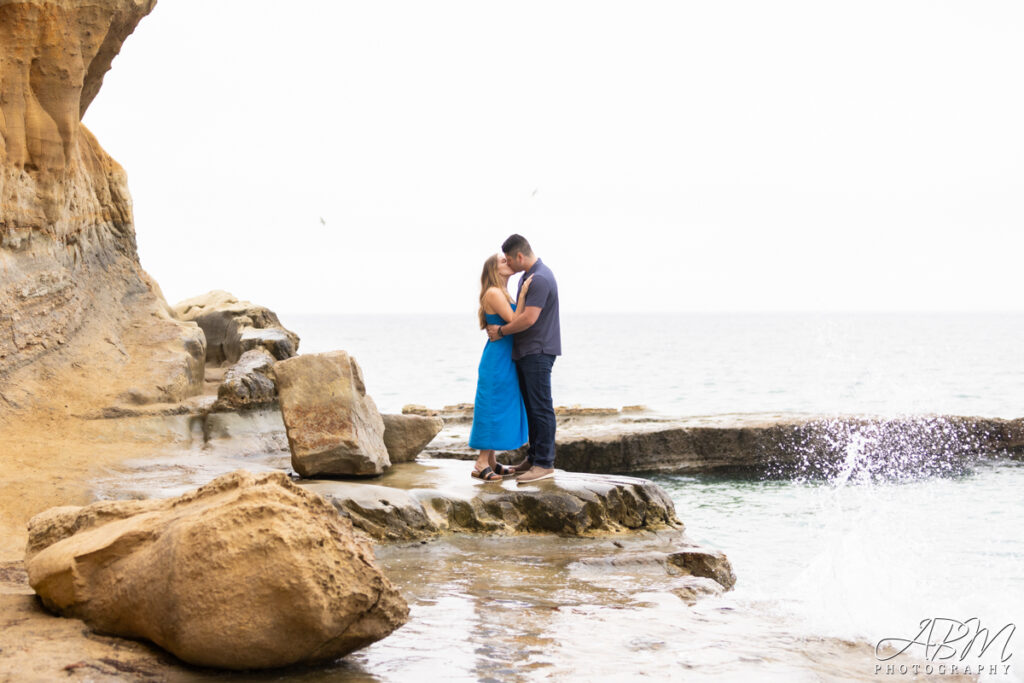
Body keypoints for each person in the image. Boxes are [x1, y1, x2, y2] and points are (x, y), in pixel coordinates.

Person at [486, 234, 560, 484]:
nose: (508, 264)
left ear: (519, 256)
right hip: (528, 352)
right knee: (532, 408)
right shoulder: (530, 277)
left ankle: (544, 464)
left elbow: (528, 319)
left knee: (541, 407)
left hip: (538, 351)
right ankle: (534, 457)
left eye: (509, 259)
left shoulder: (539, 278)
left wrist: (501, 332)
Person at [468, 253, 535, 481]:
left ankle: (491, 460)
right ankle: (480, 463)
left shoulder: (502, 292)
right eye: (503, 261)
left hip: (505, 356)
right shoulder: (494, 293)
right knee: (492, 407)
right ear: (494, 270)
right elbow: (515, 318)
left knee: (498, 405)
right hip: (497, 358)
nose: (508, 262)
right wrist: (525, 294)